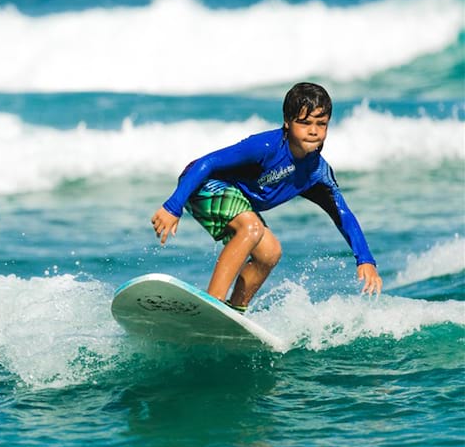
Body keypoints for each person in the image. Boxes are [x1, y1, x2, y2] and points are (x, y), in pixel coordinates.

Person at [150, 82, 382, 313]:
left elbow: (343, 214)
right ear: (288, 122)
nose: (313, 131)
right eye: (305, 123)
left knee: (269, 252)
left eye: (321, 124)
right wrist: (173, 206)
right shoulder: (266, 146)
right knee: (251, 228)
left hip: (237, 197)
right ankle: (214, 304)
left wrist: (365, 259)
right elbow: (207, 163)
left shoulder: (317, 173)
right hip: (202, 183)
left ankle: (235, 311)